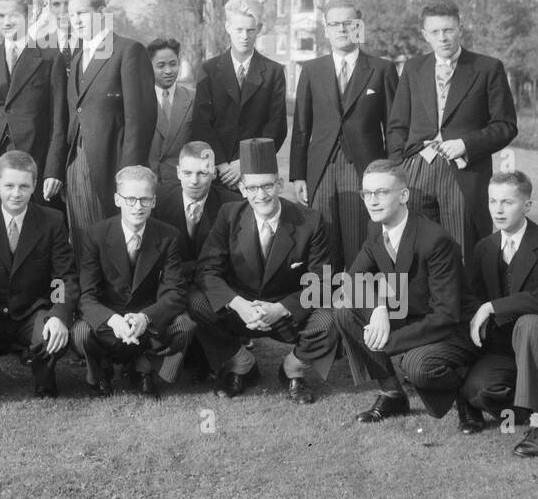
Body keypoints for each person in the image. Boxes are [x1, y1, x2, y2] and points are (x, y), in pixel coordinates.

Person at [190, 137, 339, 401]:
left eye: (268, 186)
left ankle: (292, 370)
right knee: (196, 302)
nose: (261, 195)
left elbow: (321, 281)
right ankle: (242, 363)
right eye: (253, 188)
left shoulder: (310, 221)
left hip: (286, 315)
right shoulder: (229, 215)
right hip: (242, 313)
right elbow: (207, 270)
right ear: (242, 188)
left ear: (279, 184)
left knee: (330, 319)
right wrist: (239, 305)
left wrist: (280, 309)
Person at [331, 159, 479, 424]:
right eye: (367, 194)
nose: (372, 201)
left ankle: (466, 394)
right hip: (412, 315)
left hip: (451, 329)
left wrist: (387, 344)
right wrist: (378, 309)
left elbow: (446, 315)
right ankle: (392, 394)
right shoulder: (376, 227)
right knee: (344, 309)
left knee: (417, 366)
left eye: (382, 192)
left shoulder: (435, 241)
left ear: (404, 195)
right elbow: (353, 279)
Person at [457, 171, 538, 458]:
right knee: (479, 392)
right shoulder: (484, 248)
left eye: (507, 202)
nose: (498, 210)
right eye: (492, 201)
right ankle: (525, 405)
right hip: (505, 348)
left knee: (530, 323)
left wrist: (492, 307)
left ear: (527, 206)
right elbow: (471, 302)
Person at [387, 0, 517, 263]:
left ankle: (465, 305)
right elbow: (397, 124)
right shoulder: (414, 68)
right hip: (416, 170)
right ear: (425, 35)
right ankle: (422, 305)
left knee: (463, 250)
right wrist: (400, 166)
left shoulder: (487, 68)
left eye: (448, 30)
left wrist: (466, 145)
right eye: (435, 32)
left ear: (460, 28)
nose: (443, 37)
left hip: (464, 172)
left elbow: (506, 126)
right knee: (414, 247)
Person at [0, 151, 77, 399]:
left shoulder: (52, 220)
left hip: (33, 310)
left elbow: (61, 276)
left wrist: (58, 313)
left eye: (24, 186)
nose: (16, 193)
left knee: (52, 331)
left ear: (34, 186)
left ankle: (44, 377)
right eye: (9, 185)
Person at [289, 0, 397, 272]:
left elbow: (394, 127)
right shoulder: (312, 70)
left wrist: (391, 173)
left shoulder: (381, 69)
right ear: (326, 29)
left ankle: (360, 306)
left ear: (359, 27)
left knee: (361, 237)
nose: (341, 29)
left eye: (348, 23)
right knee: (321, 237)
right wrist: (298, 174)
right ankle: (322, 307)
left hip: (363, 167)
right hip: (321, 168)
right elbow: (301, 127)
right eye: (334, 24)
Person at [70, 165, 193, 398]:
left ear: (154, 202)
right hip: (110, 321)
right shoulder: (95, 235)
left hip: (147, 320)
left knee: (184, 326)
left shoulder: (168, 236)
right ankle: (101, 372)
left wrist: (145, 318)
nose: (138, 206)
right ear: (117, 199)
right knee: (80, 333)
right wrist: (113, 320)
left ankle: (145, 367)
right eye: (131, 199)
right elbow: (87, 295)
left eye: (145, 200)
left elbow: (175, 292)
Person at [63, 0, 156, 244]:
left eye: (82, 13)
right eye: (71, 15)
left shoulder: (128, 50)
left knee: (112, 240)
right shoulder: (78, 56)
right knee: (82, 240)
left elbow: (140, 121)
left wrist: (128, 178)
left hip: (111, 165)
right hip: (76, 163)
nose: (76, 21)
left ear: (102, 12)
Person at [0, 0, 67, 209]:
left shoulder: (50, 58)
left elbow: (58, 122)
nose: (6, 22)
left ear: (29, 16)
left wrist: (53, 171)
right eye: (1, 16)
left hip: (32, 162)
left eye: (14, 16)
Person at [190, 0, 287, 191]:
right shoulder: (208, 70)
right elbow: (201, 124)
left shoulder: (273, 72)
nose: (244, 36)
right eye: (239, 30)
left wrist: (244, 162)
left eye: (250, 30)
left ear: (258, 30)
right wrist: (223, 165)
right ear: (228, 28)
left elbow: (276, 126)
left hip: (257, 174)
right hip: (217, 172)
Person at [152, 141, 240, 276]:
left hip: (215, 282)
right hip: (171, 282)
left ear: (214, 173)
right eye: (187, 173)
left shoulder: (233, 205)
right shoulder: (158, 201)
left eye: (202, 173)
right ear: (178, 172)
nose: (194, 181)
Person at [145, 37, 194, 185]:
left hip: (182, 184)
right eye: (161, 65)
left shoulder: (194, 98)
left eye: (173, 64)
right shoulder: (138, 100)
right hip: (147, 183)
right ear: (149, 66)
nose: (168, 71)